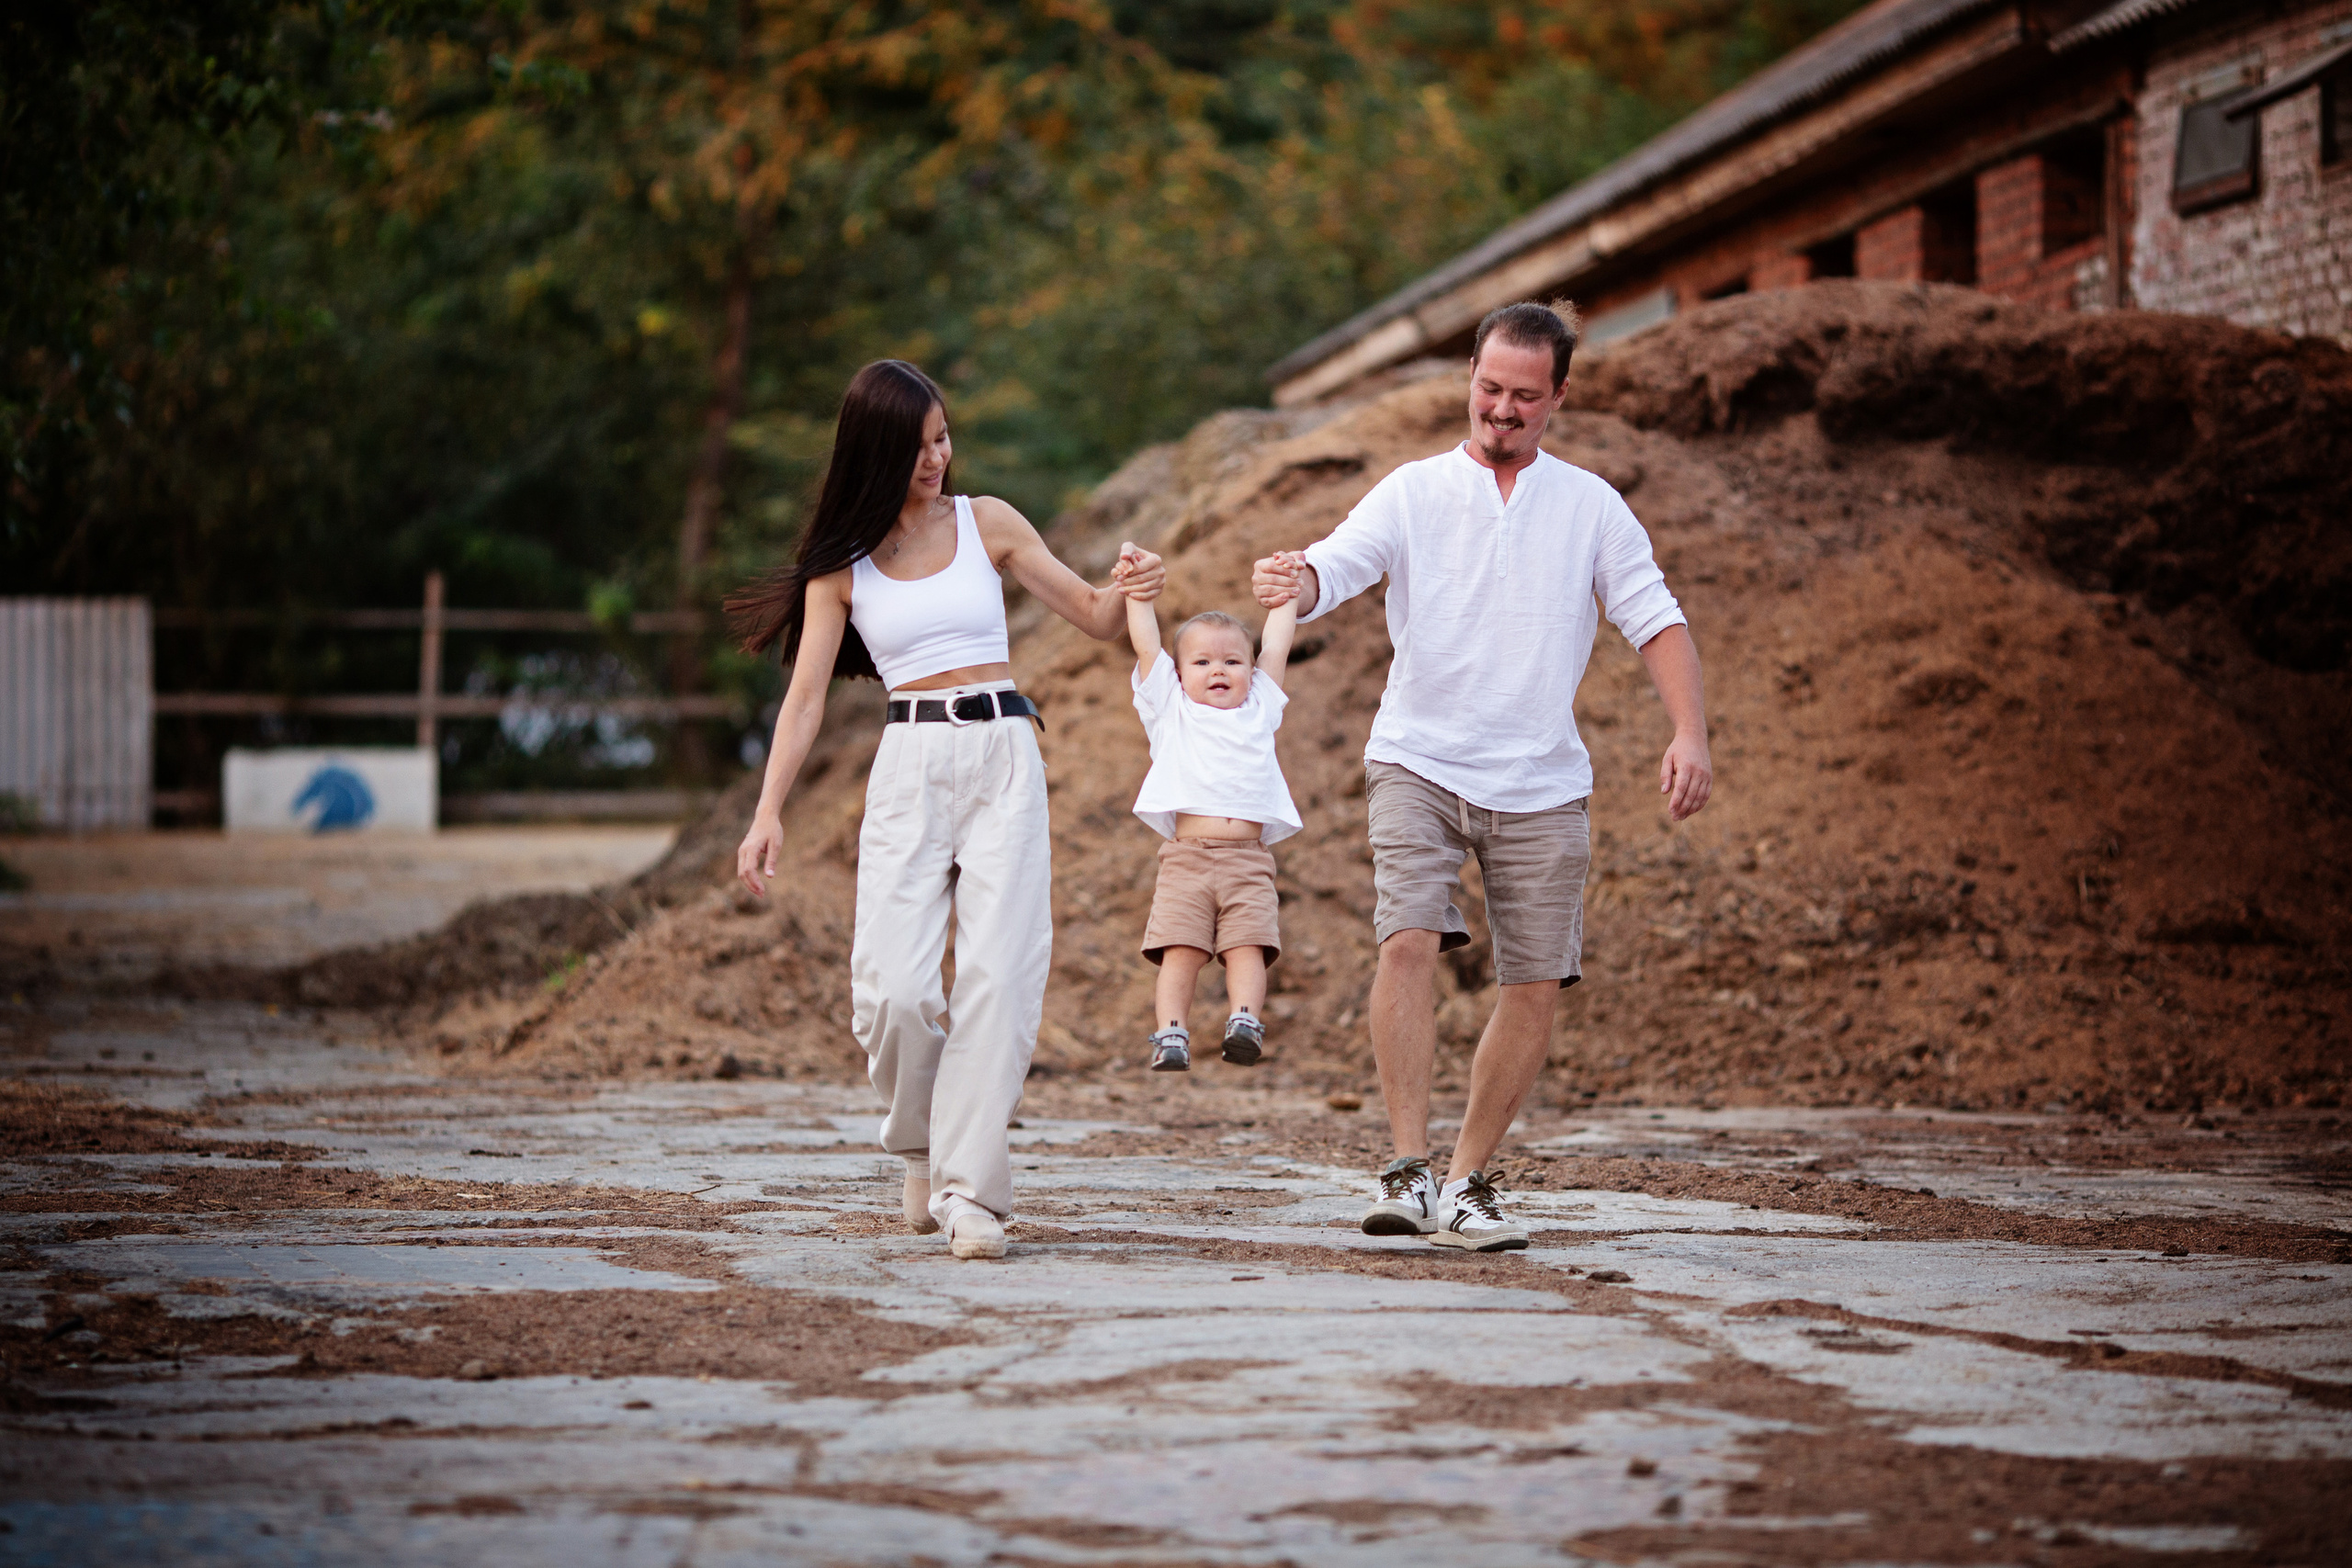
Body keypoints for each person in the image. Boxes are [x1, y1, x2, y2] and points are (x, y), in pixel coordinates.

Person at [1252, 300, 1712, 1253]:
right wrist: (1293, 580)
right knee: (1408, 939)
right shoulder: (1413, 491)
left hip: (1542, 777)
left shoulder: (1589, 506)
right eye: (1487, 388)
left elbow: (1655, 618)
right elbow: (1335, 570)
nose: (1500, 409)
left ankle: (1466, 1182)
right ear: (1470, 378)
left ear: (1558, 398)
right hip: (1417, 756)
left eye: (1522, 397)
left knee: (1533, 979)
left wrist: (1688, 734)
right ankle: (1408, 1171)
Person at [729, 359, 1165, 1261]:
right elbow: (805, 699)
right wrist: (767, 811)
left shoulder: (988, 522)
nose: (939, 458)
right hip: (909, 764)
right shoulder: (839, 569)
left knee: (998, 982)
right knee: (893, 993)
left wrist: (1133, 581)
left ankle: (973, 1196)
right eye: (920, 445)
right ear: (876, 451)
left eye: (943, 439)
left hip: (1004, 752)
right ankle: (923, 1147)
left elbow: (1091, 614)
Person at [1114, 548, 1303, 1073]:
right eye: (1201, 662)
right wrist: (1137, 592)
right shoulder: (1170, 711)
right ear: (1178, 674)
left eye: (1232, 661)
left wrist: (1286, 590)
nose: (1217, 670)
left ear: (1250, 671)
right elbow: (1146, 643)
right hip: (1187, 859)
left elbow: (1279, 644)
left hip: (1249, 859)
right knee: (1182, 950)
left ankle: (1245, 1023)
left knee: (1249, 947)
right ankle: (1170, 1034)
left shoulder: (1260, 707)